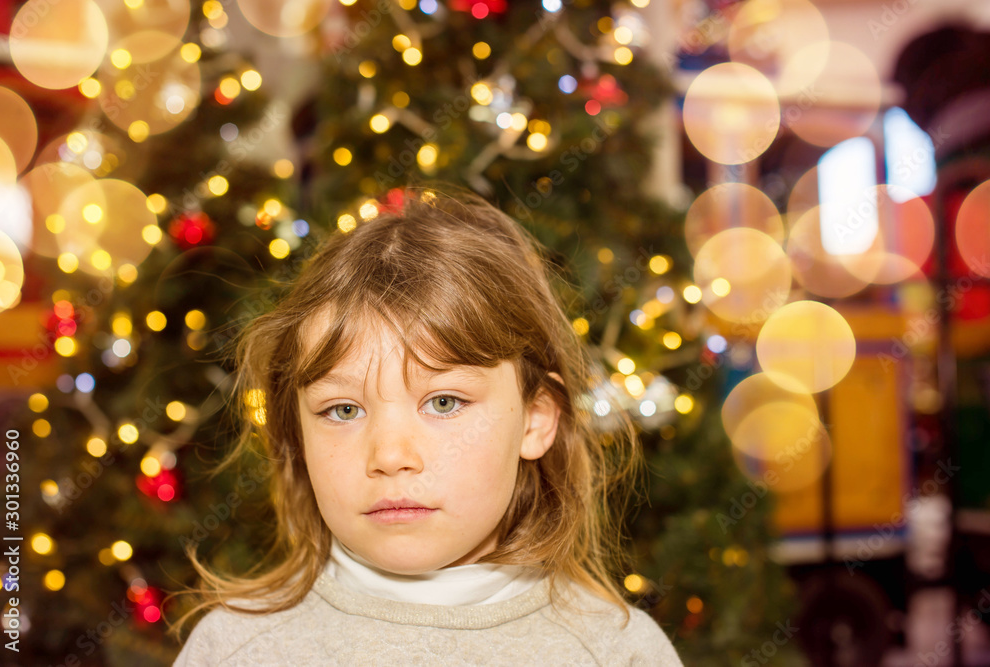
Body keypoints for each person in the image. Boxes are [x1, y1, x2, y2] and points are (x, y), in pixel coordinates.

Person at [168, 185, 684, 665]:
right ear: (296, 437)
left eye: (443, 402)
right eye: (343, 410)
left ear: (535, 420)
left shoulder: (619, 653)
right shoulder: (234, 650)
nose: (390, 455)